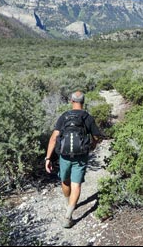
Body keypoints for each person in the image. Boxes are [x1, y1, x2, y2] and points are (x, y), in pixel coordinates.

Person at [45, 91, 105, 228]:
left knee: (65, 180)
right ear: (83, 102)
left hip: (64, 155)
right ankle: (68, 215)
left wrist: (48, 158)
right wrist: (93, 145)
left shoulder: (64, 116)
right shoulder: (87, 117)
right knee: (76, 184)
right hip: (81, 156)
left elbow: (53, 138)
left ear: (72, 101)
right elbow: (96, 136)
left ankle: (69, 204)